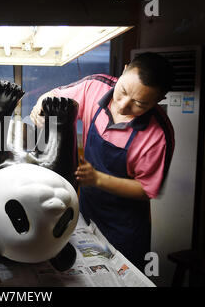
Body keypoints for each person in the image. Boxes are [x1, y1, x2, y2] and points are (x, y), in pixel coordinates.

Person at [30, 52, 175, 271]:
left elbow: (146, 189)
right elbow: (54, 97)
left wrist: (98, 179)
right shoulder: (94, 87)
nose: (124, 106)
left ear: (158, 100)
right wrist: (39, 108)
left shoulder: (158, 135)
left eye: (139, 104)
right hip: (87, 212)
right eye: (123, 91)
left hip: (125, 228)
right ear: (124, 70)